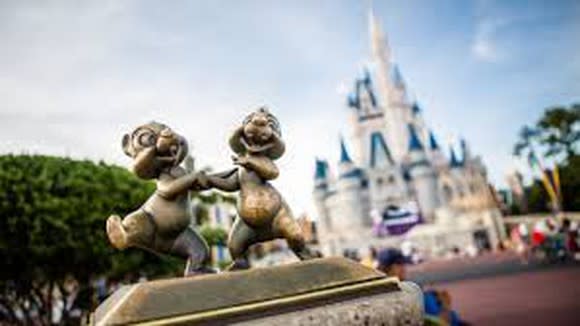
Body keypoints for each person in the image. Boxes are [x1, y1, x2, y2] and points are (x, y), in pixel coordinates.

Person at [376, 248, 469, 326]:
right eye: (399, 264)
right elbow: (439, 323)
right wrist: (446, 305)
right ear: (388, 268)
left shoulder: (401, 288)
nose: (403, 268)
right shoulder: (401, 295)